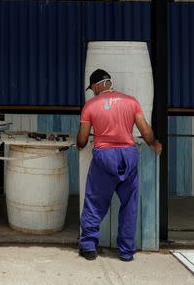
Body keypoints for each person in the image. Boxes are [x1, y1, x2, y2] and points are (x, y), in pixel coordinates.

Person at [76, 68, 162, 262]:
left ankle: (89, 246)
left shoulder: (90, 105)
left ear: (98, 85)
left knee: (94, 201)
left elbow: (82, 139)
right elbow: (146, 131)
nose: (93, 92)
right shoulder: (131, 102)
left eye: (93, 88)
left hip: (104, 157)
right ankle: (126, 251)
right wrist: (155, 145)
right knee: (130, 204)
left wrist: (79, 145)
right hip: (129, 156)